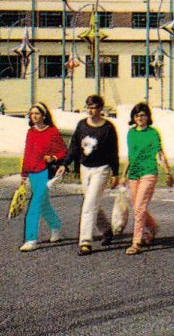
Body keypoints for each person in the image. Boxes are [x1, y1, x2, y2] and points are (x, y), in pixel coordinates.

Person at [56, 94, 120, 256]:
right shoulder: (82, 125)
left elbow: (113, 152)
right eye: (89, 107)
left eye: (95, 107)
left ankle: (85, 241)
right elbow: (74, 147)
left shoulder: (108, 128)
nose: (92, 111)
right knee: (92, 203)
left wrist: (116, 173)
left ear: (101, 109)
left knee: (89, 204)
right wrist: (65, 164)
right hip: (85, 168)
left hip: (102, 169)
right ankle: (106, 230)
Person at [124, 102, 174, 256]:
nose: (140, 118)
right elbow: (130, 155)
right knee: (137, 207)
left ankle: (136, 242)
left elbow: (160, 153)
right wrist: (122, 175)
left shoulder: (153, 133)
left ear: (148, 117)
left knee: (139, 206)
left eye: (143, 115)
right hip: (134, 174)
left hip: (149, 172)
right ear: (133, 117)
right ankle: (151, 226)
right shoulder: (131, 133)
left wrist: (168, 172)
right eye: (137, 115)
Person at [19, 103, 68, 251]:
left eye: (37, 113)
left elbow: (63, 151)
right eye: (32, 113)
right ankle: (56, 227)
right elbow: (27, 153)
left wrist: (53, 157)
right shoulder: (30, 132)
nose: (34, 116)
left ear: (44, 115)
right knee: (44, 204)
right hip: (32, 173)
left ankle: (31, 239)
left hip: (45, 172)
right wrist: (23, 174)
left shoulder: (52, 132)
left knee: (34, 206)